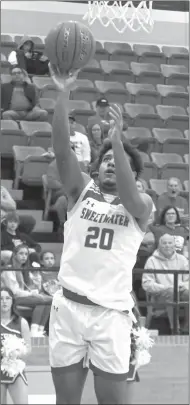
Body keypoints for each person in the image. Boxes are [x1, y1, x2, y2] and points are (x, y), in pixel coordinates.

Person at [48, 64, 153, 405]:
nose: (111, 163)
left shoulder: (142, 205)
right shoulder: (80, 191)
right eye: (105, 159)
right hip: (69, 306)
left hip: (111, 315)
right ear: (95, 168)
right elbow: (63, 150)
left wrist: (117, 144)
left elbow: (129, 190)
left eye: (117, 161)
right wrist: (63, 92)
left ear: (133, 175)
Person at [1, 244, 52, 337]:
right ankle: (33, 331)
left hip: (23, 297)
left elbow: (29, 287)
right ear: (14, 255)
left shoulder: (22, 270)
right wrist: (31, 294)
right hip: (12, 298)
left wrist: (36, 279)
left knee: (48, 301)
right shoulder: (9, 269)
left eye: (26, 254)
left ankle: (40, 330)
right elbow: (14, 291)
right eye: (21, 253)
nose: (24, 256)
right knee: (43, 300)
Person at [142, 234, 189, 334]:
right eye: (164, 243)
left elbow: (188, 280)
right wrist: (166, 288)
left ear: (174, 245)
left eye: (170, 243)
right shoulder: (152, 261)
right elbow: (146, 284)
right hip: (159, 295)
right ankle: (175, 329)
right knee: (171, 292)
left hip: (179, 291)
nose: (167, 245)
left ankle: (186, 327)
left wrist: (181, 286)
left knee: (187, 294)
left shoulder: (182, 259)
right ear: (159, 245)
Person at [1, 287, 31, 404]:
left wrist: (18, 353)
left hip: (15, 370)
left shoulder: (21, 322)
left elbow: (28, 348)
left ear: (12, 301)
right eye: (1, 298)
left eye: (7, 298)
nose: (4, 301)